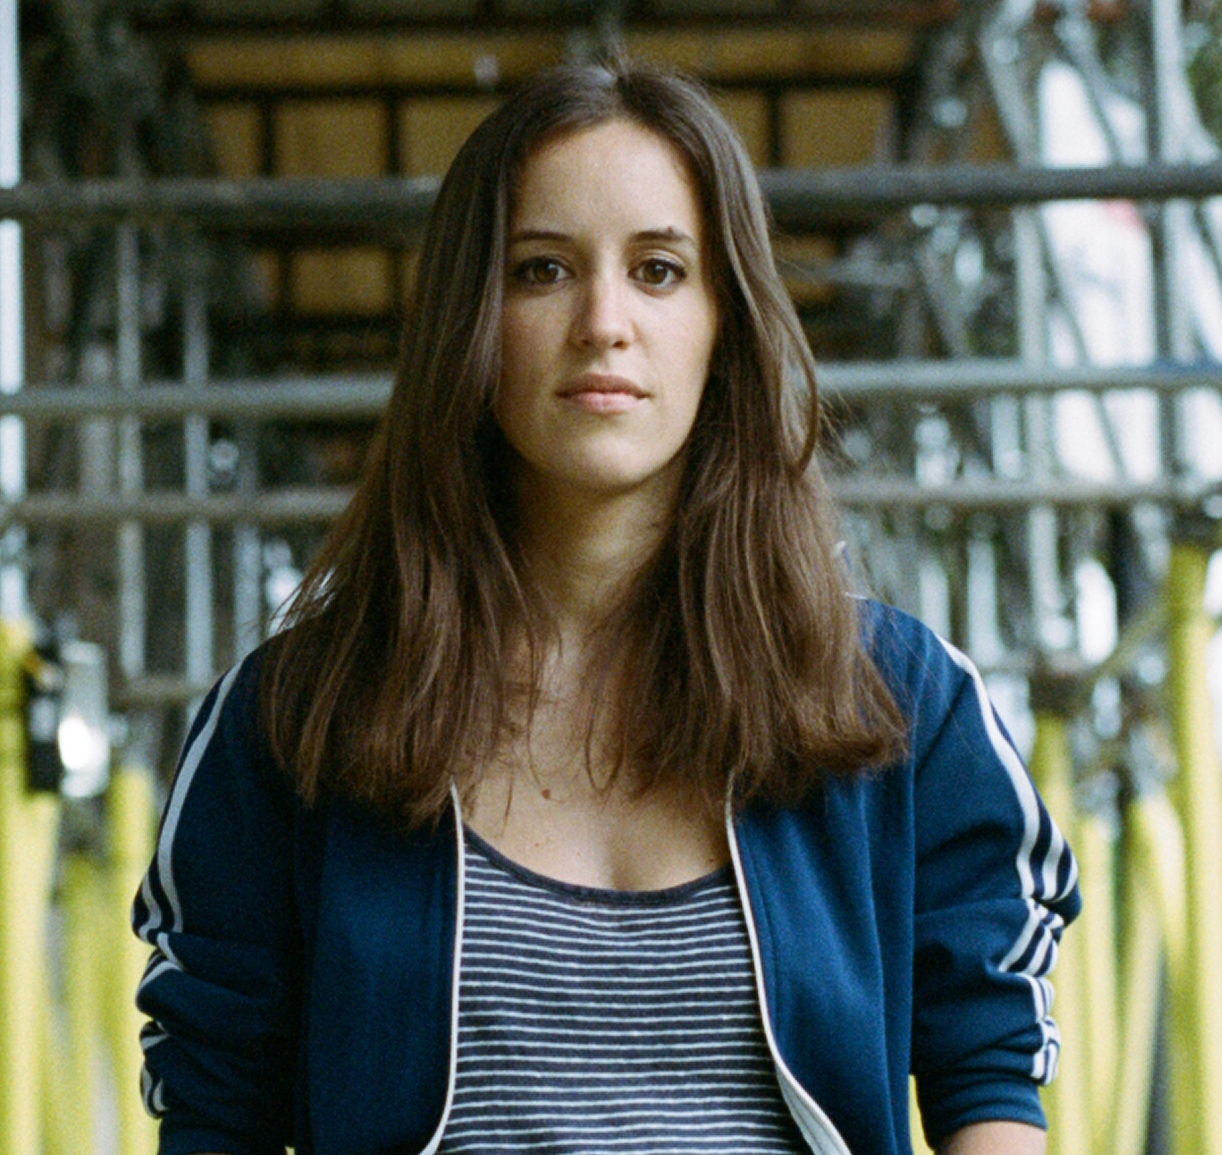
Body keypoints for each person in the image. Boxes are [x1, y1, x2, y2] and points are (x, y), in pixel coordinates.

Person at [132, 60, 1080, 1155]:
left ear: (726, 320)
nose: (602, 321)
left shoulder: (898, 701)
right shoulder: (291, 717)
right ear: (469, 322)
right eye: (540, 270)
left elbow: (990, 1086)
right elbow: (213, 1114)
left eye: (660, 271)